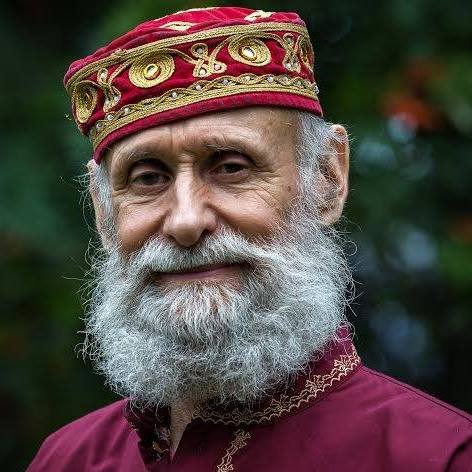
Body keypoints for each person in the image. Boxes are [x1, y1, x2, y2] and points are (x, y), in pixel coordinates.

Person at [27, 6, 471, 471]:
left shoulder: (440, 457)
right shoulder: (66, 460)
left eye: (231, 167)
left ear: (327, 180)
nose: (186, 221)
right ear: (104, 213)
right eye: (147, 178)